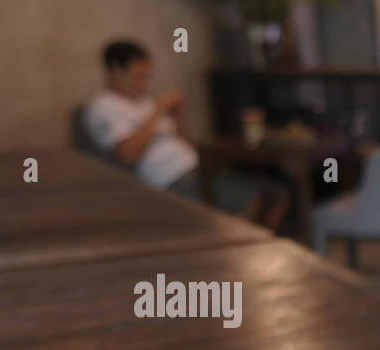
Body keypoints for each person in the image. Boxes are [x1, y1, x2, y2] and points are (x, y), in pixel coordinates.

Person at [84, 40, 288, 229]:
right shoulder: (103, 107)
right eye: (140, 77)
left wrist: (179, 116)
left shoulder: (144, 102)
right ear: (116, 71)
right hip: (169, 181)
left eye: (148, 77)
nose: (145, 83)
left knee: (277, 194)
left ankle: (247, 247)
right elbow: (127, 155)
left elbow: (183, 145)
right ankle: (236, 248)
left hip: (197, 168)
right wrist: (159, 110)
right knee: (256, 199)